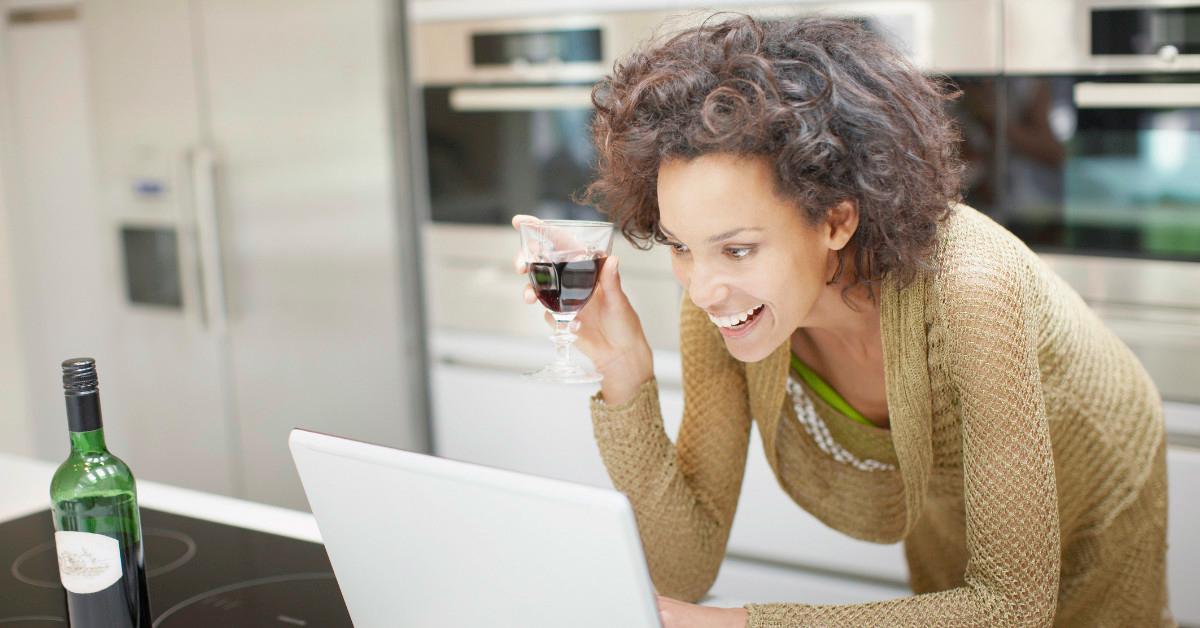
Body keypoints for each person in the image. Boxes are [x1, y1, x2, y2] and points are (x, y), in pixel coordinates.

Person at [513, 15, 1171, 627]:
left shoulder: (972, 291)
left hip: (1098, 493)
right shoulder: (732, 305)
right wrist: (624, 369)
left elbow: (1011, 606)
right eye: (682, 245)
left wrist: (741, 624)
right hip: (949, 511)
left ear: (836, 219)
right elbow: (684, 569)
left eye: (738, 248)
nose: (705, 288)